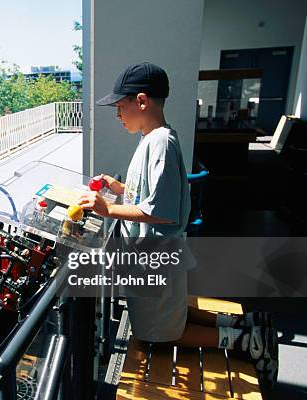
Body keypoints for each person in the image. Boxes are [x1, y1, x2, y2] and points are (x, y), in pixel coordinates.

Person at [77, 62, 278, 386]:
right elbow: (150, 193)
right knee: (172, 314)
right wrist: (117, 190)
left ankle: (248, 342)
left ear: (141, 102)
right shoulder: (153, 139)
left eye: (120, 106)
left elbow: (163, 210)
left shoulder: (161, 143)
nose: (117, 115)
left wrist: (109, 211)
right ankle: (246, 324)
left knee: (164, 333)